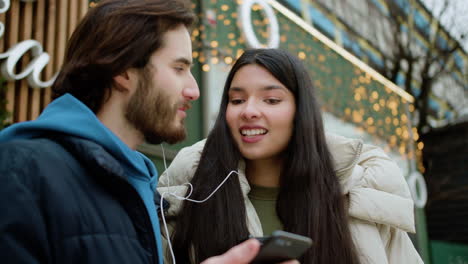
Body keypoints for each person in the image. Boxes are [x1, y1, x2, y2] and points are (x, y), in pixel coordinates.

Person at [0, 1, 295, 263]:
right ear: (124, 70)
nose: (193, 90)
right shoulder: (21, 169)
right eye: (179, 68)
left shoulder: (141, 187)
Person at [158, 49, 424, 264]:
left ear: (301, 112)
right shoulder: (189, 190)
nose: (249, 110)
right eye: (236, 100)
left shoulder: (361, 195)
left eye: (271, 100)